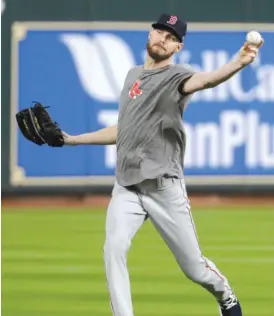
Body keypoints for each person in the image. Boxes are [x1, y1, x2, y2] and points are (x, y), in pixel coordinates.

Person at [63, 14, 263, 316]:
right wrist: (72, 140)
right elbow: (122, 130)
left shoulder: (176, 76)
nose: (163, 39)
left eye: (171, 37)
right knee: (113, 249)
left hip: (164, 187)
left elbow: (206, 80)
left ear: (178, 47)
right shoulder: (132, 76)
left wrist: (238, 62)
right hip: (127, 186)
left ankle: (227, 297)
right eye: (160, 31)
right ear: (150, 32)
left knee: (194, 269)